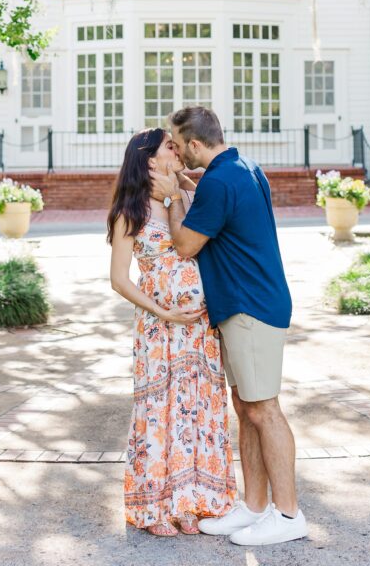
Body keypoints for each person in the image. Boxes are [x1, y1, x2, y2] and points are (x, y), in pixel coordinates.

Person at [150, 106, 308, 547]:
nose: (177, 155)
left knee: (264, 408)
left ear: (196, 144)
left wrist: (170, 197)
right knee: (246, 406)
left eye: (179, 147)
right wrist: (185, 185)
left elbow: (184, 244)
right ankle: (255, 507)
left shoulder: (218, 181)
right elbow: (216, 198)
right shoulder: (243, 167)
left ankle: (289, 513)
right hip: (247, 305)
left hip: (250, 308)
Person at [107, 127, 237, 537]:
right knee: (161, 412)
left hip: (198, 329)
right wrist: (164, 310)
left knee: (196, 409)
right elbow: (119, 280)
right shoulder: (132, 209)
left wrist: (178, 183)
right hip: (160, 331)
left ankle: (191, 502)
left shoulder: (187, 198)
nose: (178, 150)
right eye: (169, 146)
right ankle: (157, 507)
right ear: (147, 158)